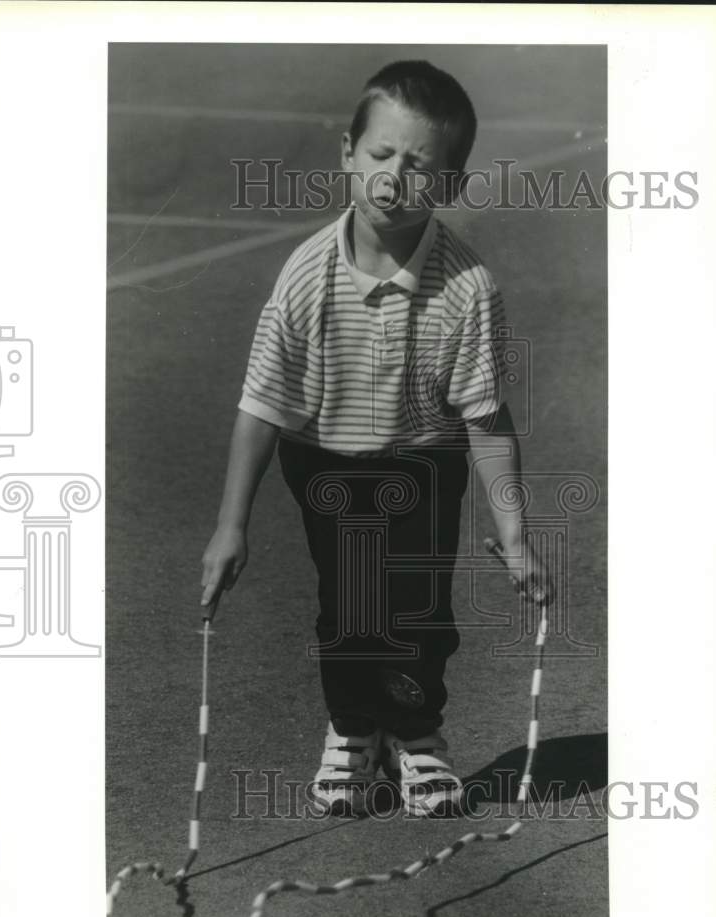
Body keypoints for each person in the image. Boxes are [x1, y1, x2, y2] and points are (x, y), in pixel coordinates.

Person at [201, 60, 553, 818]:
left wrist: (515, 534)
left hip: (425, 457)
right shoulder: (305, 278)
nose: (395, 178)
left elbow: (486, 419)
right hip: (326, 460)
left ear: (451, 186)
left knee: (419, 609)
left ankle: (418, 733)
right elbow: (262, 405)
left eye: (420, 165)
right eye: (382, 154)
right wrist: (232, 527)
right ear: (348, 154)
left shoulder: (466, 287)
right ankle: (355, 729)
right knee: (353, 606)